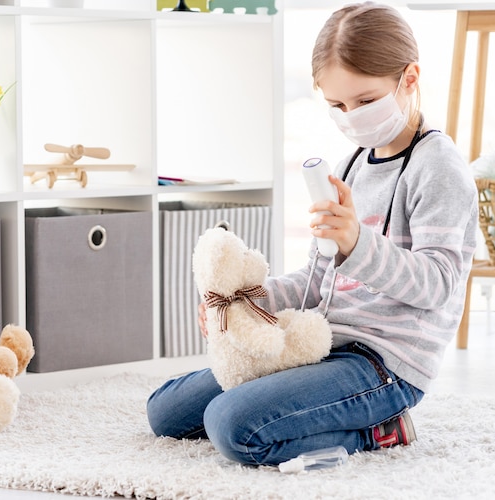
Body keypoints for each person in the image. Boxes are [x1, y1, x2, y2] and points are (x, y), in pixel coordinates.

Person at [147, 1, 478, 467]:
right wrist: (250, 301)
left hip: (385, 364)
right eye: (338, 105)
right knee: (166, 411)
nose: (352, 116)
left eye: (365, 101)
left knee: (232, 426)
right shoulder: (352, 162)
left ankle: (381, 430)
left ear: (409, 78)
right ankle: (307, 401)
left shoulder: (437, 167)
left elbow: (439, 285)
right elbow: (317, 280)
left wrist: (358, 245)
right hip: (320, 339)